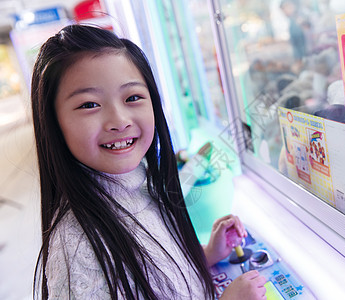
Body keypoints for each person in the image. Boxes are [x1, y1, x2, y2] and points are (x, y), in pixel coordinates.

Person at [31, 25, 267, 300]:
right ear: (53, 122)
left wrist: (208, 254)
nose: (119, 121)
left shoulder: (142, 179)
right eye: (89, 104)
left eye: (132, 97)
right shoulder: (75, 248)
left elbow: (157, 278)